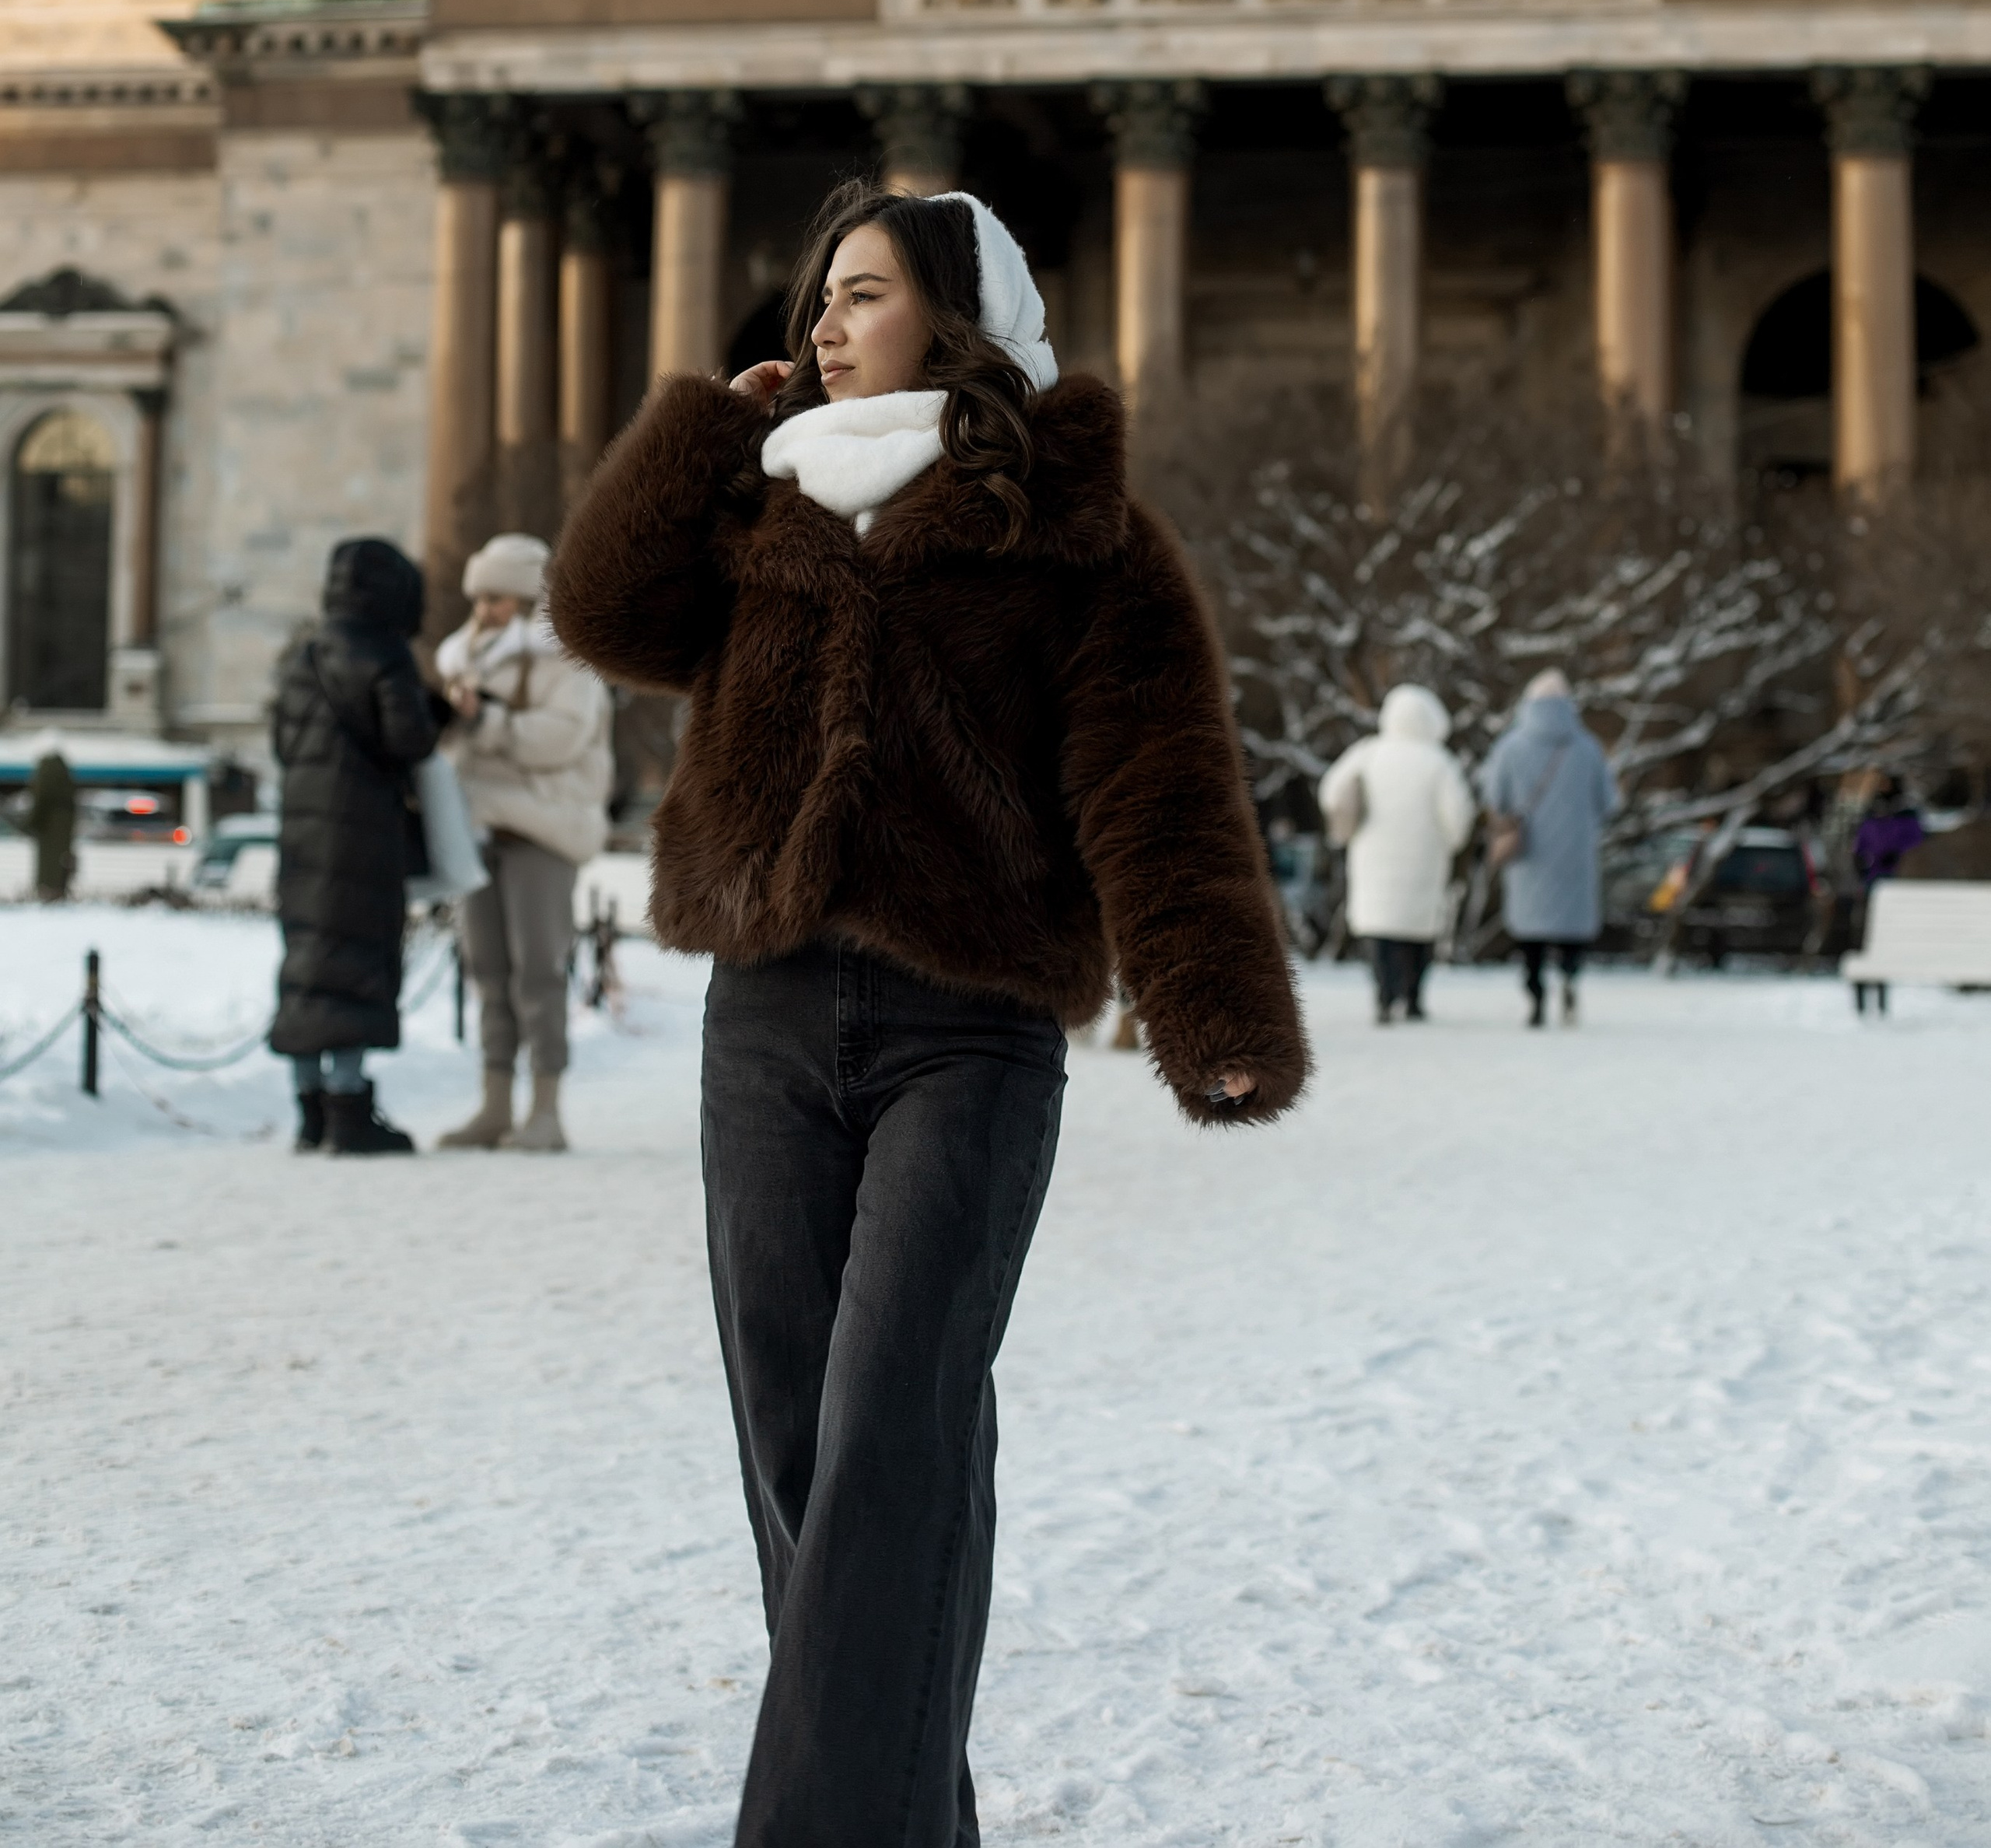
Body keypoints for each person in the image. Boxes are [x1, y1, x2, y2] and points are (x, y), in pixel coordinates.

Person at [549, 180, 1309, 1848]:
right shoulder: (761, 512)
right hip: (762, 1019)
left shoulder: (1074, 529)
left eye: (862, 293)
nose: (817, 323)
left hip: (964, 1030)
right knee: (800, 1448)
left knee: (895, 1419)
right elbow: (601, 611)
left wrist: (1209, 1007)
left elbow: (1157, 784)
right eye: (815, 296)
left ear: (957, 321)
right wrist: (695, 436)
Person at [435, 531, 615, 1154]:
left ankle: (546, 1110)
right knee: (486, 970)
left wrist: (488, 720)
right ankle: (494, 1104)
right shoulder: (463, 656)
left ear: (525, 597)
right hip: (479, 827)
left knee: (538, 972)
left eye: (499, 596)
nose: (485, 608)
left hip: (541, 832)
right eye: (480, 595)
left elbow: (561, 737)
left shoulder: (566, 657)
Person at [269, 537, 445, 1153]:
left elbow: (283, 742)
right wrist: (441, 710)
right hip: (362, 834)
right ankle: (349, 1111)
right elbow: (409, 740)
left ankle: (310, 1111)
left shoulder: (302, 654)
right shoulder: (384, 653)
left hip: (302, 829)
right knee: (354, 960)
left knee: (307, 963)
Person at [1321, 685, 1475, 1024]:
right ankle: (1414, 997)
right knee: (1419, 931)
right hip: (1425, 859)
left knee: (1380, 929)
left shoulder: (1368, 753)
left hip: (1372, 857)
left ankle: (1383, 994)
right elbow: (1459, 816)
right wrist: (1451, 843)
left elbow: (1332, 792)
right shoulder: (1439, 762)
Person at [1480, 667, 1619, 1027]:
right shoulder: (1588, 748)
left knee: (1532, 930)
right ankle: (1570, 980)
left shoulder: (1510, 747)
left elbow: (1494, 797)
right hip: (1575, 855)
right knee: (1571, 926)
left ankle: (1536, 996)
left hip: (1528, 856)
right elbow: (1608, 803)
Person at [28, 741, 76, 902]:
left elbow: (42, 799)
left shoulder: (47, 770)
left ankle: (49, 892)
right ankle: (56, 891)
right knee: (59, 860)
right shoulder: (64, 774)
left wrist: (32, 822)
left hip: (48, 828)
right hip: (61, 831)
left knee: (49, 862)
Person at [1853, 777, 1923, 889]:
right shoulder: (1871, 812)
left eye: (1885, 783)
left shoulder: (1906, 814)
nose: (1882, 787)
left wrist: (1898, 853)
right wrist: (1859, 858)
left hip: (1897, 871)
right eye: (1880, 784)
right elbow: (1862, 840)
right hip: (1873, 871)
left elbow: (1916, 840)